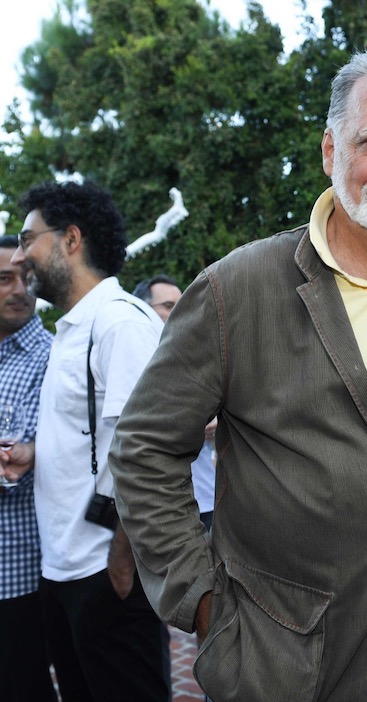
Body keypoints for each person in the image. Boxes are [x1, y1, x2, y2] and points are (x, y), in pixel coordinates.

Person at [109, 48, 367, 702]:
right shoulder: (234, 290)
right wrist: (202, 603)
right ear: (330, 149)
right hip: (284, 672)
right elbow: (143, 447)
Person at [2, 180, 170, 702]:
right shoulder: (75, 328)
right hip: (64, 569)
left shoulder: (120, 323)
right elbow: (92, 435)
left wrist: (120, 563)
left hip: (104, 572)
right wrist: (34, 453)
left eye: (30, 239)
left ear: (70, 239)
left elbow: (150, 451)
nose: (22, 254)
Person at [0, 234, 57, 702]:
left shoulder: (53, 355)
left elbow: (14, 464)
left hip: (18, 570)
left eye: (26, 277)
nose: (19, 289)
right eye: (4, 279)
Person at [133, 274, 217, 530]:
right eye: (168, 306)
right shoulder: (134, 362)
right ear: (143, 311)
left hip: (208, 497)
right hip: (164, 506)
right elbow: (140, 433)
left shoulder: (200, 358)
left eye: (181, 305)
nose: (178, 313)